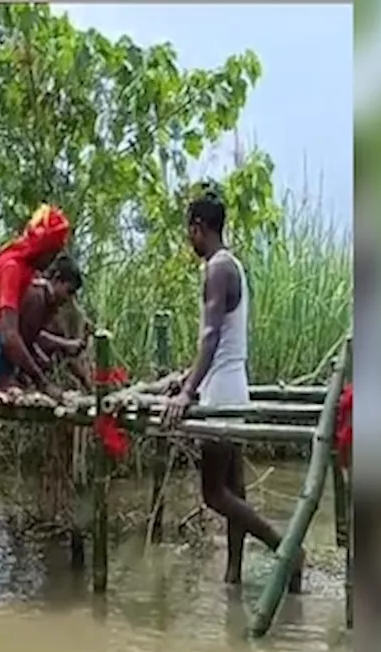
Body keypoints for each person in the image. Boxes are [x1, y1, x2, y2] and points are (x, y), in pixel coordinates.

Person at [159, 187, 304, 591]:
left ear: (198, 227)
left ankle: (288, 550)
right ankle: (233, 575)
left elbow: (209, 336)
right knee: (234, 489)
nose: (189, 240)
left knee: (213, 494)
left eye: (189, 232)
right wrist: (187, 378)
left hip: (220, 393)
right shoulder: (232, 264)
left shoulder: (217, 268)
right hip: (231, 385)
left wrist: (189, 392)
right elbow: (220, 340)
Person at [0, 205, 76, 399]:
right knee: (28, 305)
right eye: (53, 253)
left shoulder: (26, 271)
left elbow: (27, 331)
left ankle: (12, 376)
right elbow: (8, 334)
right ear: (44, 250)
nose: (52, 260)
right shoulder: (12, 269)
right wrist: (43, 383)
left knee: (28, 304)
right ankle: (2, 378)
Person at [0, 253, 87, 398]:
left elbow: (32, 336)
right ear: (57, 278)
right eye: (69, 291)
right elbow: (12, 340)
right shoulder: (36, 297)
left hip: (5, 363)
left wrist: (65, 345)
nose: (68, 298)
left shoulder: (46, 301)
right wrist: (42, 382)